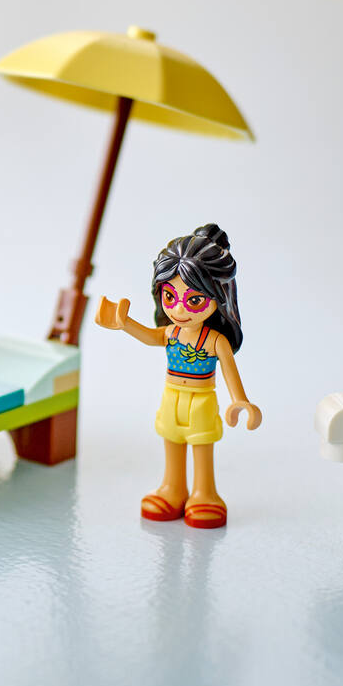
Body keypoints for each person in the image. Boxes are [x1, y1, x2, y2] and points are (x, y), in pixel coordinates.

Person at [95, 222, 260, 528]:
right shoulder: (170, 332)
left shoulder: (215, 340)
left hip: (201, 400)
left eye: (194, 299)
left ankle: (205, 493)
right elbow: (149, 336)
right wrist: (124, 324)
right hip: (171, 397)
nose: (180, 310)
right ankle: (172, 488)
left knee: (201, 446)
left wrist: (241, 401)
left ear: (218, 295)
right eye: (170, 297)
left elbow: (229, 371)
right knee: (171, 440)